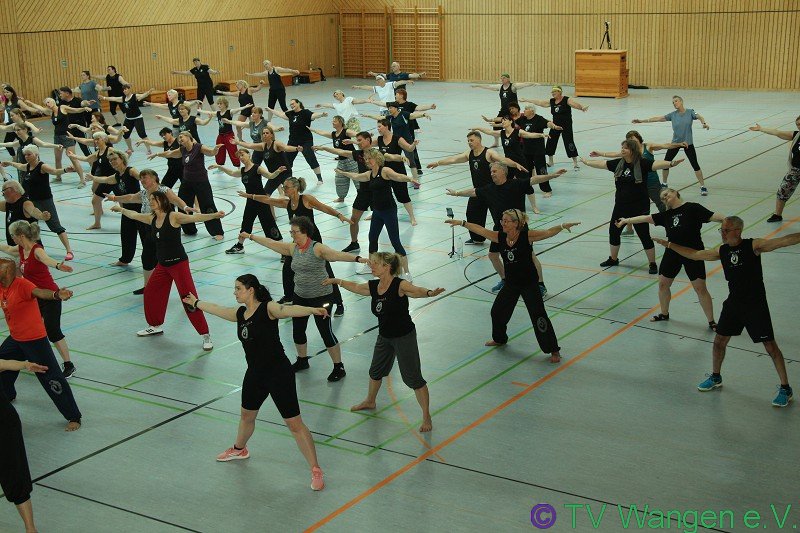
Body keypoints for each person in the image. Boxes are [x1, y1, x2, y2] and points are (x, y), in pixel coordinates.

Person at [179, 274, 326, 490]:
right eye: (235, 288)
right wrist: (196, 302)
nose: (235, 292)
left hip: (278, 374)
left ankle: (315, 469)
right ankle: (240, 449)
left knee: (294, 424)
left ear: (251, 290)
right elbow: (218, 309)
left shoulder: (268, 308)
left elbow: (287, 310)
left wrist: (312, 310)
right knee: (247, 416)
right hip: (255, 374)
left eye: (238, 288)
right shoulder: (240, 313)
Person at [652, 216, 800, 407]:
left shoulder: (754, 246)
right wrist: (669, 245)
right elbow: (695, 255)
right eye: (721, 230)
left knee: (770, 346)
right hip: (733, 304)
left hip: (755, 305)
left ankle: (786, 388)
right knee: (719, 342)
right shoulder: (722, 250)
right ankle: (716, 376)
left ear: (737, 231)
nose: (722, 233)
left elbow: (783, 241)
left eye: (726, 230)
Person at [324, 251, 444, 432]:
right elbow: (357, 287)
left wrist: (429, 293)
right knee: (375, 371)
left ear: (387, 267)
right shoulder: (374, 286)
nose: (371, 266)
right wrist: (337, 281)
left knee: (413, 378)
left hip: (404, 337)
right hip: (385, 336)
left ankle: (426, 416)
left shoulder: (399, 285)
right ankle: (370, 401)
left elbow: (416, 291)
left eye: (375, 263)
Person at [242, 215, 364, 379]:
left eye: (295, 232)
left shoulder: (317, 248)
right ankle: (302, 360)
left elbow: (336, 255)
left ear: (305, 232)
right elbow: (271, 243)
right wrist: (250, 236)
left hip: (321, 297)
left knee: (325, 332)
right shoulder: (293, 248)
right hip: (300, 296)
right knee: (298, 331)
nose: (292, 235)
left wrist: (358, 258)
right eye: (291, 232)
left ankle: (338, 367)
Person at [447, 211, 578, 360]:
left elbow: (547, 233)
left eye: (506, 221)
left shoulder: (527, 236)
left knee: (539, 316)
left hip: (529, 284)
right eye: (502, 220)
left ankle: (553, 349)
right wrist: (462, 223)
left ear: (516, 223)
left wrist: (562, 226)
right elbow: (481, 230)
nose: (503, 223)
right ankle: (500, 339)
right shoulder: (499, 237)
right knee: (497, 312)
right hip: (511, 284)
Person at [111, 191, 224, 350]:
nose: (151, 201)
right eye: (150, 199)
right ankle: (155, 325)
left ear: (163, 201)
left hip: (179, 264)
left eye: (154, 199)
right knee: (150, 292)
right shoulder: (151, 218)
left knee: (189, 299)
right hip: (163, 265)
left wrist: (214, 215)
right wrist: (121, 209)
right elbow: (135, 215)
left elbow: (195, 218)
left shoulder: (173, 217)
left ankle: (205, 334)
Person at [445, 162, 566, 295]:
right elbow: (473, 192)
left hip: (518, 228)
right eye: (491, 172)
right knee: (493, 255)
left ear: (503, 171)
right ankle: (506, 279)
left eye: (495, 171)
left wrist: (552, 176)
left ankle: (540, 284)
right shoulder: (489, 189)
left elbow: (533, 180)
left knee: (529, 257)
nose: (492, 174)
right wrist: (457, 193)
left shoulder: (516, 184)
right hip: (500, 229)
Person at [616, 188, 724, 328]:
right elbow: (646, 218)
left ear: (675, 193)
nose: (665, 197)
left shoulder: (692, 208)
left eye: (666, 194)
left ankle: (711, 321)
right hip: (672, 252)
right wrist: (626, 220)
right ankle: (664, 313)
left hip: (693, 253)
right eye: (662, 198)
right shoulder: (666, 215)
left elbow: (714, 216)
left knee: (700, 288)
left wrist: (728, 221)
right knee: (663, 284)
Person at [242, 176, 349, 312]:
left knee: (326, 271)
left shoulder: (306, 199)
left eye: (286, 187)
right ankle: (289, 296)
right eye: (284, 187)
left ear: (295, 188)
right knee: (287, 267)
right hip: (298, 241)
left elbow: (324, 208)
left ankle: (339, 303)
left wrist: (339, 215)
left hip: (313, 240)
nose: (284, 189)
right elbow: (268, 200)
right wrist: (250, 196)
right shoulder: (287, 203)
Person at [0, 258, 81, 431]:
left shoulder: (22, 285)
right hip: (16, 338)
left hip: (34, 340)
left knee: (51, 377)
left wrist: (56, 295)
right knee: (3, 363)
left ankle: (73, 416)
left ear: (7, 272)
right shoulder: (2, 286)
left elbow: (40, 292)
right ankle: (7, 394)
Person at [580, 140, 685, 274]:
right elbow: (602, 164)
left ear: (633, 151)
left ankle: (652, 263)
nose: (622, 150)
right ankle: (613, 259)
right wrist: (586, 162)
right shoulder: (618, 164)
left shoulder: (642, 163)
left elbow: (656, 164)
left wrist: (671, 163)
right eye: (622, 147)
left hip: (639, 207)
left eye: (626, 148)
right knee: (614, 232)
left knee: (644, 235)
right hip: (621, 206)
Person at [0, 221, 76, 376]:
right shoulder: (21, 249)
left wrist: (58, 265)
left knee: (53, 331)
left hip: (50, 295)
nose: (12, 238)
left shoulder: (37, 250)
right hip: (35, 296)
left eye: (13, 235)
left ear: (21, 235)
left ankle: (69, 365)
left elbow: (47, 260)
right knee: (31, 329)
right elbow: (7, 248)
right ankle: (32, 360)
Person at [428, 131, 527, 244]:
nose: (469, 142)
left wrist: (514, 164)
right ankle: (477, 238)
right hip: (478, 191)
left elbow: (502, 159)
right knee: (472, 213)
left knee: (499, 216)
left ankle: (507, 238)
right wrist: (438, 162)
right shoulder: (469, 154)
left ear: (479, 140)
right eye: (468, 141)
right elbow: (454, 159)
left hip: (492, 191)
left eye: (472, 140)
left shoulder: (488, 152)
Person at [104, 169, 192, 295]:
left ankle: (166, 287)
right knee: (148, 256)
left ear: (154, 178)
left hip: (163, 228)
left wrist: (185, 207)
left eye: (145, 177)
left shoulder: (163, 191)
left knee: (159, 256)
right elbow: (130, 197)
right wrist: (114, 197)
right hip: (147, 226)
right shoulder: (144, 193)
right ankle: (149, 286)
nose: (142, 180)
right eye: (141, 178)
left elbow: (175, 199)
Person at [334, 149, 418, 278]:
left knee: (395, 241)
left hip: (389, 211)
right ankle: (370, 266)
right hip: (377, 212)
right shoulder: (369, 174)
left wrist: (410, 179)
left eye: (370, 159)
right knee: (372, 238)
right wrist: (342, 172)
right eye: (366, 159)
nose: (367, 161)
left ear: (377, 159)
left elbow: (398, 176)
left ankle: (406, 272)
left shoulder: (385, 171)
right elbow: (356, 176)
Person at [1, 145, 75, 259]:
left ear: (36, 154)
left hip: (44, 201)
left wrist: (65, 170)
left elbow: (54, 171)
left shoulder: (42, 166)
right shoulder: (27, 166)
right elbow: (19, 165)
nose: (26, 156)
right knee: (30, 226)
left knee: (55, 225)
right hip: (30, 201)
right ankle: (33, 248)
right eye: (25, 155)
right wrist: (9, 163)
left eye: (29, 154)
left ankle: (69, 251)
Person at [148, 132, 224, 240]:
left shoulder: (199, 147)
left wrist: (216, 149)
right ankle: (189, 230)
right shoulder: (182, 150)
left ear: (189, 137)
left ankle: (217, 232)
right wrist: (157, 154)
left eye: (181, 137)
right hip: (187, 182)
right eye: (178, 138)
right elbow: (170, 154)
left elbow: (211, 152)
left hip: (201, 182)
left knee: (208, 206)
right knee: (183, 205)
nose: (179, 139)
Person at [590, 131, 688, 214]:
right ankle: (629, 227)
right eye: (629, 140)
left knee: (661, 204)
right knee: (632, 205)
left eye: (633, 139)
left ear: (638, 138)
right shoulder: (629, 151)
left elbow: (665, 145)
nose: (632, 141)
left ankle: (670, 221)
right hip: (637, 183)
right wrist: (600, 153)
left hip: (652, 182)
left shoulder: (648, 146)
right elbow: (613, 154)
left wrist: (679, 144)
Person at [209, 148, 285, 254]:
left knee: (269, 224)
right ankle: (239, 246)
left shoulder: (257, 168)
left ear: (249, 155)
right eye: (239, 156)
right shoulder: (242, 171)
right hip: (250, 201)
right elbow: (231, 172)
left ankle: (283, 250)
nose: (241, 158)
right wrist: (219, 167)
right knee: (246, 223)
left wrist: (277, 171)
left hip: (261, 200)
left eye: (242, 155)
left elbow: (270, 176)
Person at [0, 357, 46, 533]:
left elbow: (4, 363)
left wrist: (25, 365)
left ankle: (30, 529)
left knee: (14, 476)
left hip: (4, 425)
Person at [313, 131, 375, 254]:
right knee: (353, 219)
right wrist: (324, 148)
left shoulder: (377, 154)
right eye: (357, 140)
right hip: (363, 192)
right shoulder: (358, 154)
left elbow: (391, 159)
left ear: (368, 140)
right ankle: (354, 243)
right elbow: (340, 152)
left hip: (377, 191)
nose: (358, 143)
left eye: (360, 140)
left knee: (381, 220)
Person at [633, 95, 710, 194]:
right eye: (673, 102)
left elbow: (700, 117)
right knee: (666, 163)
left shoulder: (690, 112)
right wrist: (641, 121)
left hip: (688, 144)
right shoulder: (673, 115)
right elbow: (658, 118)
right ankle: (664, 184)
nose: (674, 103)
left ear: (681, 101)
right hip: (675, 144)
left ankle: (702, 186)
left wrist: (704, 123)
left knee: (695, 165)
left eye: (676, 101)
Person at [471, 115, 548, 213]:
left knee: (527, 185)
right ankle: (507, 204)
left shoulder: (517, 132)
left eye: (505, 120)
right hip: (507, 163)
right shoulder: (502, 133)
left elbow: (529, 135)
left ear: (511, 121)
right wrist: (478, 128)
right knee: (505, 183)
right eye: (502, 120)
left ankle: (534, 207)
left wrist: (541, 135)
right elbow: (489, 132)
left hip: (520, 163)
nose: (503, 122)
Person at [89, 150, 145, 267]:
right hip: (126, 210)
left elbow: (142, 178)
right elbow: (105, 180)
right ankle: (125, 260)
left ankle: (154, 260)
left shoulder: (131, 171)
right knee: (126, 235)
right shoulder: (116, 176)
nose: (112, 162)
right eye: (110, 160)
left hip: (140, 208)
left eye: (115, 159)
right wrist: (92, 177)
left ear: (122, 159)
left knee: (146, 237)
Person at [21, 97, 89, 187]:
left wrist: (84, 108)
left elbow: (75, 110)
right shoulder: (50, 112)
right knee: (57, 158)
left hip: (67, 136)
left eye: (48, 102)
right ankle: (58, 177)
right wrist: (29, 102)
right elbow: (39, 107)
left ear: (53, 101)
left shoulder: (62, 108)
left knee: (73, 158)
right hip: (57, 137)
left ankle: (82, 180)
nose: (47, 104)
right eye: (46, 104)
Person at [747, 117, 800, 223]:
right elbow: (777, 133)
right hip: (795, 170)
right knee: (782, 191)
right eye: (797, 124)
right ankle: (777, 215)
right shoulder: (796, 135)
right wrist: (761, 129)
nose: (799, 126)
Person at [522, 86, 588, 169]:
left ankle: (575, 162)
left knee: (569, 142)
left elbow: (574, 104)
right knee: (551, 142)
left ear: (560, 92)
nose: (553, 93)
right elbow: (540, 102)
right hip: (555, 125)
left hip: (566, 126)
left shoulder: (566, 99)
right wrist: (527, 100)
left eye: (554, 92)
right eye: (552, 92)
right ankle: (551, 161)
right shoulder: (552, 101)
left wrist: (582, 107)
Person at [265, 99, 327, 184]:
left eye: (293, 103)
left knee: (311, 158)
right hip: (293, 141)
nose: (292, 105)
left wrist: (322, 114)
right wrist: (270, 109)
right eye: (290, 104)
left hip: (306, 140)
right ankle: (287, 179)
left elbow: (313, 116)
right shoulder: (290, 114)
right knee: (287, 160)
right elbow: (281, 114)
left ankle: (319, 178)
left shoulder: (305, 112)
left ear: (298, 103)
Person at [373, 118, 419, 220]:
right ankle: (375, 214)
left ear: (386, 126)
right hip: (384, 171)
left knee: (403, 195)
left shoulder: (397, 139)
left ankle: (412, 217)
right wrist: (353, 141)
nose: (378, 129)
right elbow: (365, 144)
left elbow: (409, 148)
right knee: (380, 194)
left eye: (379, 127)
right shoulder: (379, 139)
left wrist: (414, 144)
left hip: (397, 170)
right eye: (377, 127)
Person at [68, 131, 115, 229]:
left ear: (104, 140)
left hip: (114, 179)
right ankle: (97, 223)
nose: (96, 141)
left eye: (98, 139)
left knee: (122, 202)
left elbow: (121, 159)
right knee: (95, 200)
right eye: (95, 139)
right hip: (104, 180)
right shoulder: (98, 153)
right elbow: (87, 159)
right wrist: (73, 156)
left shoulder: (110, 150)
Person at [309, 115, 359, 203]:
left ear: (340, 122)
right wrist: (313, 130)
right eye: (333, 121)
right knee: (339, 180)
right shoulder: (334, 134)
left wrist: (367, 135)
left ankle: (364, 198)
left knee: (358, 181)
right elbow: (323, 132)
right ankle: (341, 197)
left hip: (352, 161)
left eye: (335, 121)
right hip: (341, 162)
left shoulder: (346, 132)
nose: (332, 122)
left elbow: (357, 134)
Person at [196, 97, 252, 166]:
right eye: (218, 104)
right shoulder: (218, 113)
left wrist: (245, 106)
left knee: (233, 151)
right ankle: (220, 164)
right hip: (221, 135)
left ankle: (237, 165)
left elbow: (237, 109)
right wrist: (200, 110)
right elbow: (209, 112)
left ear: (225, 104)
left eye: (221, 104)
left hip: (229, 135)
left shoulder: (229, 112)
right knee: (219, 151)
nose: (219, 105)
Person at [99, 84, 154, 155]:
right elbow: (114, 98)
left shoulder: (135, 96)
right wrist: (104, 97)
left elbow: (143, 95)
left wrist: (149, 92)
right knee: (125, 135)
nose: (124, 91)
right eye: (123, 90)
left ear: (129, 89)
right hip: (128, 119)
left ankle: (149, 149)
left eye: (126, 89)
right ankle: (130, 148)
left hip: (137, 118)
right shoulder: (123, 98)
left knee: (142, 134)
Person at [0, 180, 52, 247]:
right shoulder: (7, 204)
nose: (3, 194)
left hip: (30, 248)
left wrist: (42, 216)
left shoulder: (25, 203)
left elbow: (33, 211)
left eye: (3, 191)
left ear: (12, 190)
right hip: (15, 247)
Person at [472, 74, 539, 123]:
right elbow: (489, 86)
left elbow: (524, 84)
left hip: (513, 110)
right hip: (503, 110)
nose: (502, 79)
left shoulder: (513, 86)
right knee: (496, 125)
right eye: (501, 78)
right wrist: (478, 85)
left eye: (504, 78)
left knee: (515, 125)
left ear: (508, 79)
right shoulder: (500, 87)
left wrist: (533, 83)